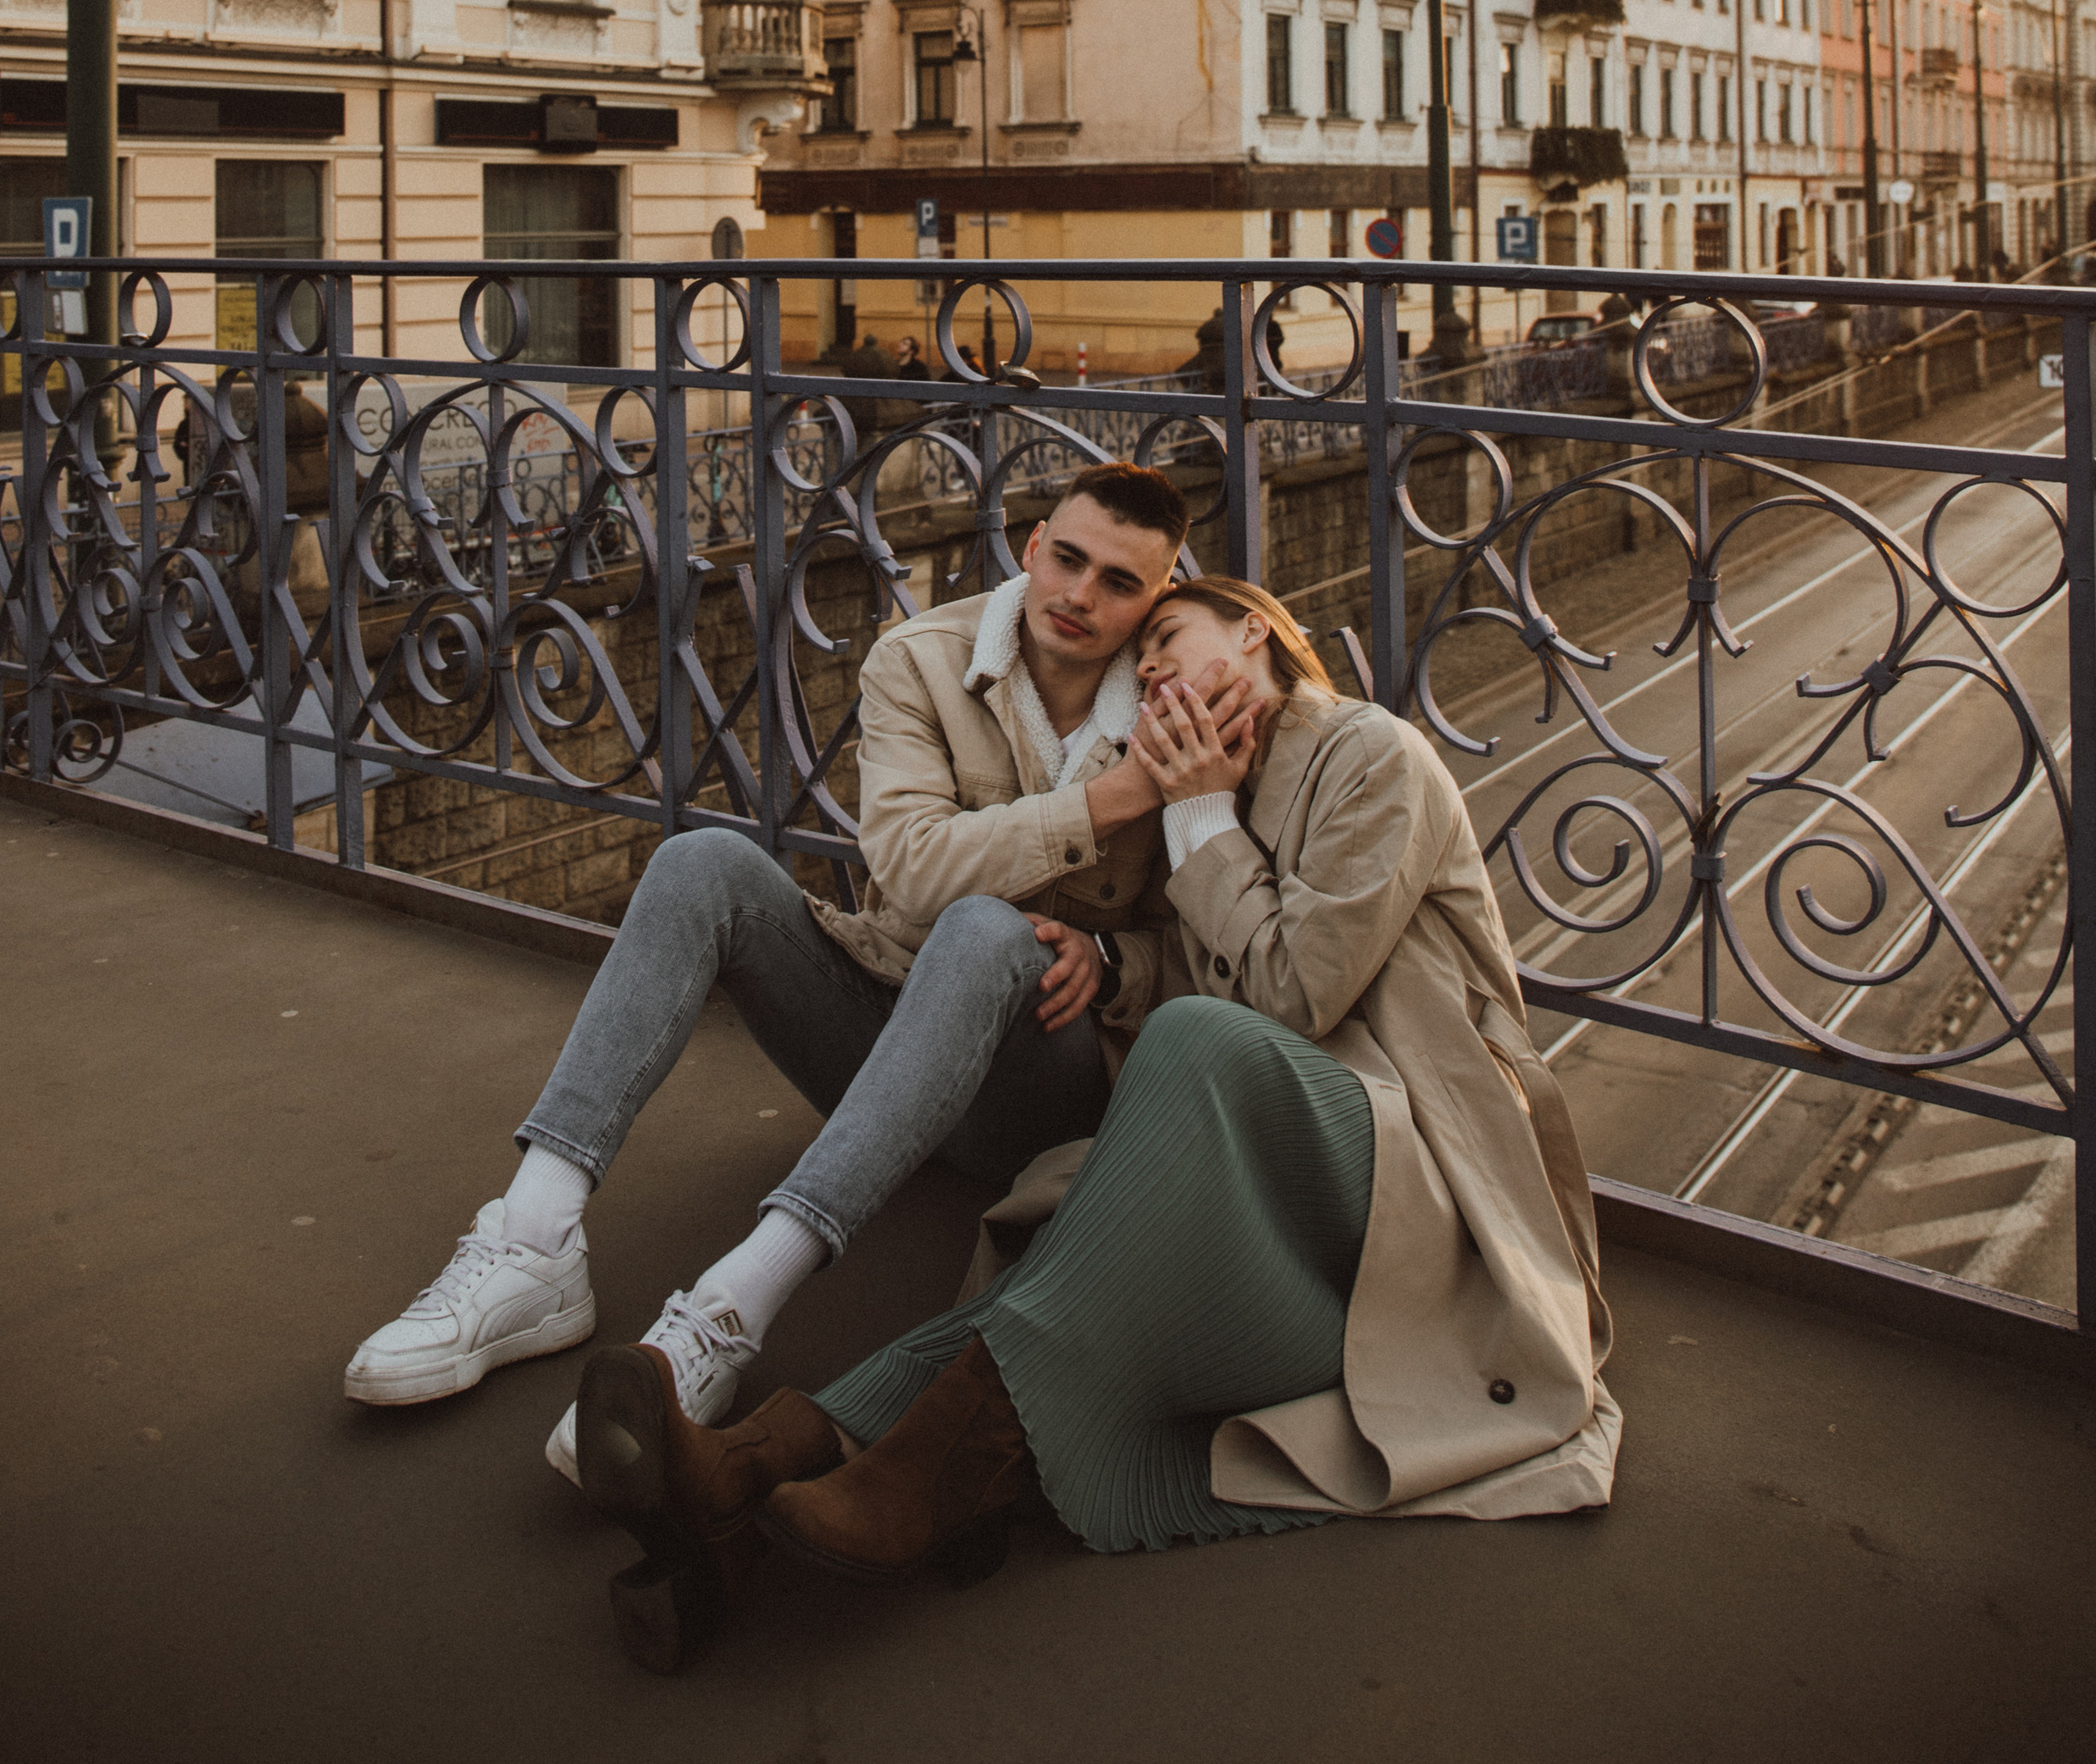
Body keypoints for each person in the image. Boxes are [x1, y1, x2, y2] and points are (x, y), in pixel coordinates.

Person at [571, 574, 1617, 1669]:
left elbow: (1294, 994)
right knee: (1066, 1254)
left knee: (1187, 1054)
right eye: (1143, 661)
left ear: (1256, 631)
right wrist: (1112, 956)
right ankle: (754, 1473)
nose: (1151, 668)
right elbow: (1203, 952)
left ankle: (917, 1478)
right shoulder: (1215, 788)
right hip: (1272, 1170)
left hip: (1419, 1167)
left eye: (1169, 634)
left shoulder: (1369, 754)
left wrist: (1201, 813)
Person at [341, 463, 1191, 1469]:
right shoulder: (919, 659)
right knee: (702, 862)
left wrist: (1114, 957)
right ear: (1033, 541)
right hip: (885, 1038)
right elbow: (911, 870)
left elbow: (1216, 931)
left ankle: (728, 1311)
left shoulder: (1181, 696)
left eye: (1119, 584)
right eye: (1068, 559)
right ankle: (533, 1241)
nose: (1079, 598)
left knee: (986, 931)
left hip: (1036, 1090)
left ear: (1160, 595)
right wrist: (1110, 801)